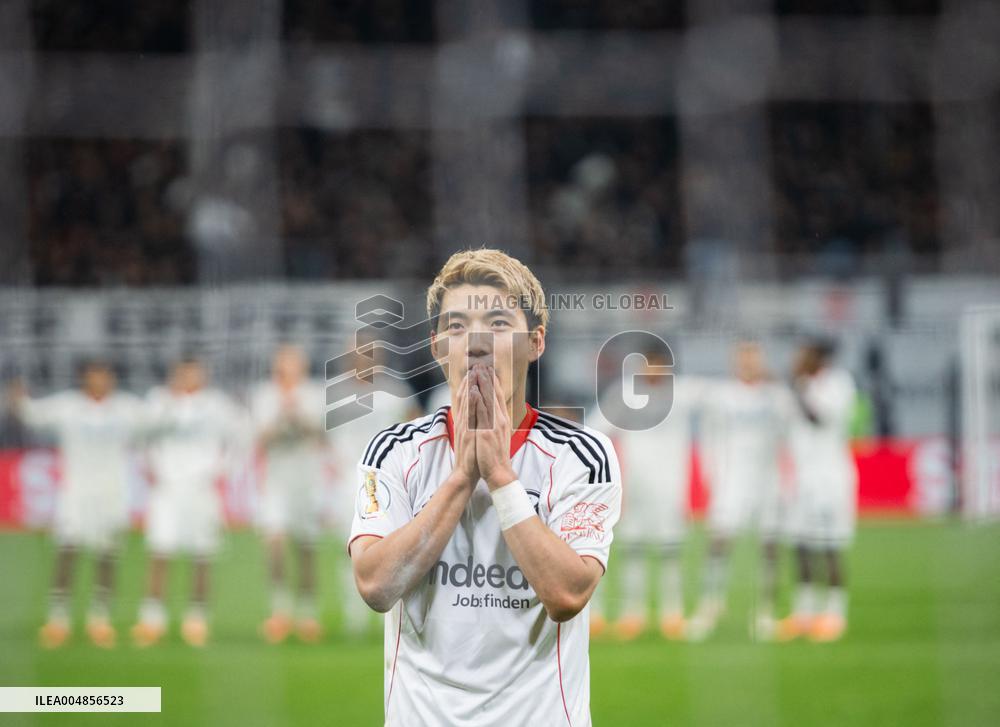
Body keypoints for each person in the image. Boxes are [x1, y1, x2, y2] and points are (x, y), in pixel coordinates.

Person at [348, 248, 622, 725]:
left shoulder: (581, 455)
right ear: (436, 347)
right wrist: (460, 479)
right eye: (455, 326)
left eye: (497, 324)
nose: (475, 341)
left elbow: (567, 595)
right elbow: (374, 585)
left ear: (536, 342)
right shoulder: (395, 451)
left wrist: (500, 477)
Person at [8, 360, 143, 649]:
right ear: (84, 378)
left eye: (106, 375)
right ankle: (58, 619)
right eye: (95, 376)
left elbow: (159, 422)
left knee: (107, 556)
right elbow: (31, 414)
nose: (101, 381)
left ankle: (100, 619)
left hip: (112, 494)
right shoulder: (68, 406)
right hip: (76, 494)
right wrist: (17, 394)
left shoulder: (125, 408)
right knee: (66, 553)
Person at [588, 349, 708, 641]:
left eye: (658, 364)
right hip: (637, 486)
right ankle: (633, 613)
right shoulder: (625, 395)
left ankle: (672, 612)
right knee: (633, 550)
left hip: (670, 486)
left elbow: (722, 397)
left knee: (671, 551)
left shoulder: (681, 394)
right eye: (648, 364)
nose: (653, 370)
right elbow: (596, 429)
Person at [131, 357, 245, 648]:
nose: (190, 377)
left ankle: (197, 619)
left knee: (202, 555)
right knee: (160, 551)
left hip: (201, 488)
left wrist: (223, 470)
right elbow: (141, 436)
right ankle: (152, 619)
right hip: (167, 489)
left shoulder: (216, 405)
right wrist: (149, 468)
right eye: (184, 372)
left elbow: (240, 435)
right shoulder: (158, 401)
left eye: (195, 372)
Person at [688, 340, 792, 641]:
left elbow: (790, 431)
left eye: (753, 358)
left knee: (770, 546)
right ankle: (710, 605)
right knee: (719, 541)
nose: (748, 364)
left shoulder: (776, 396)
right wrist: (711, 475)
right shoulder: (721, 396)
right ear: (735, 362)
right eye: (743, 359)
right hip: (731, 479)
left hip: (768, 482)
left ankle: (765, 612)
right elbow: (709, 435)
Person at [328, 347, 417, 636]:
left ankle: (387, 609)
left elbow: (414, 423)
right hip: (347, 481)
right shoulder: (335, 394)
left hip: (385, 483)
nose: (363, 362)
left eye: (369, 356)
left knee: (388, 545)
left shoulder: (394, 392)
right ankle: (354, 612)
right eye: (357, 356)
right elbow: (321, 437)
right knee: (353, 547)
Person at [778, 339, 858, 643]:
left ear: (818, 356)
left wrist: (796, 390)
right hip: (801, 478)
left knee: (830, 546)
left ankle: (835, 614)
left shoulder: (838, 383)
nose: (797, 358)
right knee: (800, 544)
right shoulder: (802, 385)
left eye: (802, 352)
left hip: (830, 477)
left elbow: (818, 418)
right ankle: (804, 613)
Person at [252, 345, 328, 643]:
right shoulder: (264, 396)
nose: (288, 373)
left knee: (307, 548)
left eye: (294, 367)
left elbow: (320, 434)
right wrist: (281, 416)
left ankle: (308, 614)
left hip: (307, 480)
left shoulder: (315, 394)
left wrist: (297, 415)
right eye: (283, 367)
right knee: (275, 543)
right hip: (276, 481)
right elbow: (261, 439)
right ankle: (280, 610)